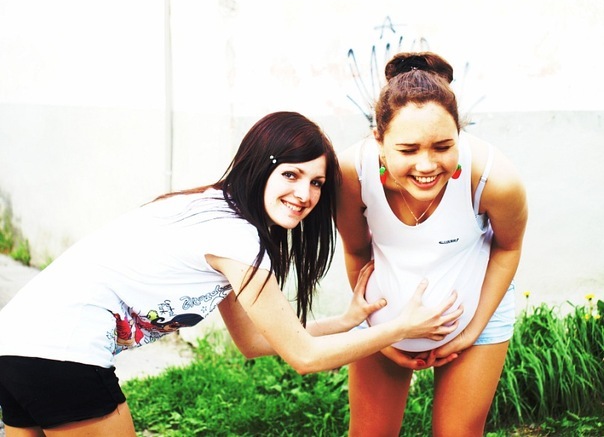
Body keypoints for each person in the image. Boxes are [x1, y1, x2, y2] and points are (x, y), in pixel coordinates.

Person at [0, 111, 463, 436]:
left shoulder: (210, 212)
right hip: (62, 355)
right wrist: (402, 327)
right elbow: (304, 358)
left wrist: (346, 321)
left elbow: (256, 342)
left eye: (317, 182)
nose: (305, 194)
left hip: (15, 346)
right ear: (261, 168)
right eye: (291, 175)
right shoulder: (237, 238)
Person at [336, 53, 528, 436]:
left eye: (442, 147)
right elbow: (357, 252)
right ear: (379, 140)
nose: (426, 166)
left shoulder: (494, 179)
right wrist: (381, 334)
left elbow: (508, 248)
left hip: (476, 321)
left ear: (460, 134)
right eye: (408, 150)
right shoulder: (351, 175)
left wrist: (470, 332)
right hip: (383, 321)